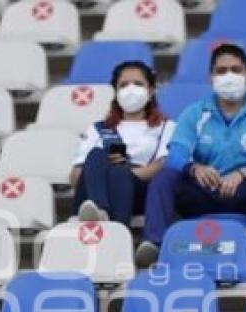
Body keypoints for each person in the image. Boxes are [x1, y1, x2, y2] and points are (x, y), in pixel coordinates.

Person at [135, 43, 246, 267]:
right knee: (165, 176)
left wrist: (244, 173)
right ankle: (155, 244)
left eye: (236, 70)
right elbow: (175, 155)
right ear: (211, 77)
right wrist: (194, 168)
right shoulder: (195, 112)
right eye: (221, 71)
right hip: (206, 191)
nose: (229, 76)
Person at [71, 61, 176, 227]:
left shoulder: (166, 127)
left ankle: (113, 224)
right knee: (98, 154)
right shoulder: (98, 128)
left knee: (118, 174)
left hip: (140, 192)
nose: (131, 89)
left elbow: (162, 164)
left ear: (150, 91)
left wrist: (123, 171)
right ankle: (100, 210)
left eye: (138, 84)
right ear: (116, 92)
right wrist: (100, 171)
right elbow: (76, 175)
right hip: (95, 191)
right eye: (124, 85)